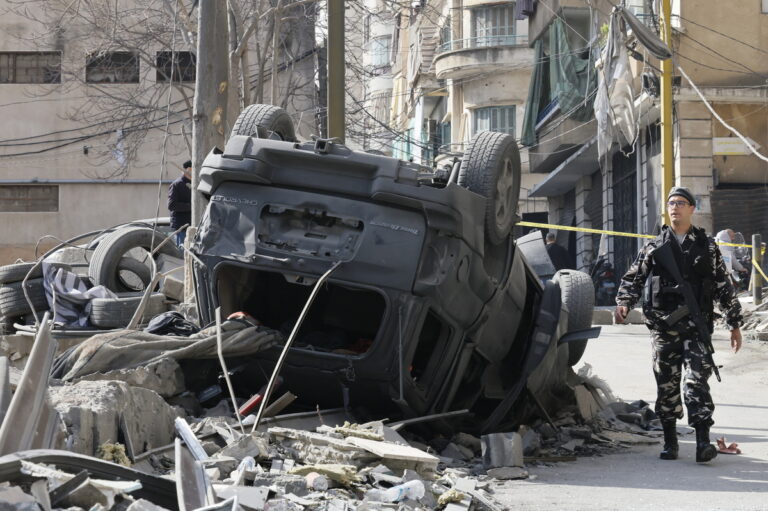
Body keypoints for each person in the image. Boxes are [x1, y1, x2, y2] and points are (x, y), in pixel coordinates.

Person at [614, 187, 742, 463]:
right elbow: (634, 278)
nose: (675, 207)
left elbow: (723, 285)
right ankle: (670, 442)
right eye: (671, 203)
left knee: (696, 382)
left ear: (692, 209)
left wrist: (734, 323)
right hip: (664, 327)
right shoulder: (655, 246)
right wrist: (624, 302)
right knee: (666, 384)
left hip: (697, 327)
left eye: (681, 203)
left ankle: (703, 442)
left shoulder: (707, 246)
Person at [168, 160, 192, 247]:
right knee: (182, 251)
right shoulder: (177, 184)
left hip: (192, 226)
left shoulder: (195, 184)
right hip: (181, 227)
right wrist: (191, 207)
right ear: (189, 169)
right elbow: (171, 205)